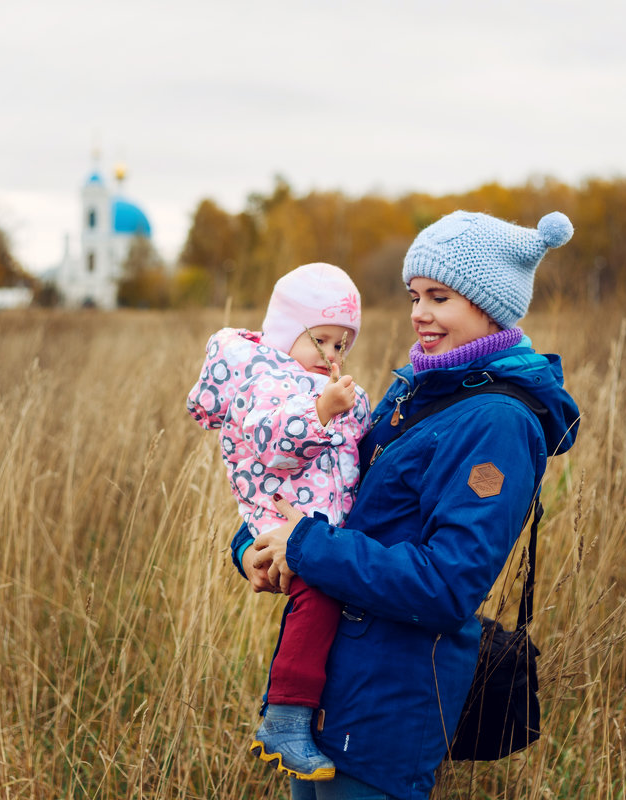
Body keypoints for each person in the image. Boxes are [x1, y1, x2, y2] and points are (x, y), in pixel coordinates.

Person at [236, 210, 581, 800]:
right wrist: (253, 547)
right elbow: (326, 494)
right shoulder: (414, 391)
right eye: (414, 295)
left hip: (391, 708)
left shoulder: (497, 422)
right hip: (324, 692)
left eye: (439, 297)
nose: (419, 313)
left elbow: (447, 585)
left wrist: (306, 546)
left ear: (489, 305)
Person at [187, 262, 372, 782]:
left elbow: (353, 442)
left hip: (315, 518)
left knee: (323, 594)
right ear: (288, 333)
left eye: (342, 346)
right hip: (282, 514)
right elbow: (275, 446)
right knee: (317, 595)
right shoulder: (265, 379)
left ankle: (295, 713)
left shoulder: (306, 378)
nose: (332, 356)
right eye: (322, 341)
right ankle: (284, 718)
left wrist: (352, 409)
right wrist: (321, 411)